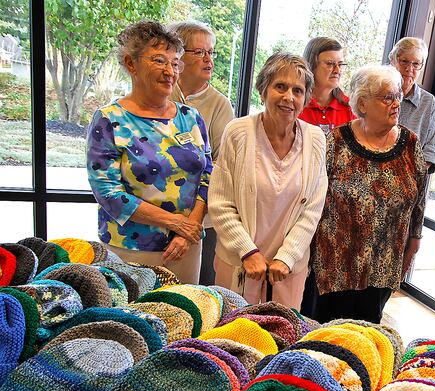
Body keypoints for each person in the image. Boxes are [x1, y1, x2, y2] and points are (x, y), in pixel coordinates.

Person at [87, 21, 210, 284]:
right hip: (130, 249)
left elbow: (208, 175)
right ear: (131, 64)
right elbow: (107, 192)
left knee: (190, 316)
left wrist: (187, 230)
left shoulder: (191, 117)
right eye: (159, 60)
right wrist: (176, 223)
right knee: (133, 320)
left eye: (175, 63)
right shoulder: (109, 119)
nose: (170, 71)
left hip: (186, 246)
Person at [208, 53, 327, 308]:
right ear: (263, 91)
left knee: (281, 337)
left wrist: (287, 256)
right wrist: (247, 252)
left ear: (305, 99)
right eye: (280, 87)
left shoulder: (316, 138)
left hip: (288, 270)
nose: (288, 97)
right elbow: (220, 202)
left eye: (298, 90)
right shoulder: (238, 132)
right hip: (238, 265)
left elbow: (313, 208)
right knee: (231, 336)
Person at [311, 65, 427, 324]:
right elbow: (313, 198)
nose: (396, 103)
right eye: (387, 97)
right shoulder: (336, 142)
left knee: (367, 334)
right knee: (326, 334)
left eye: (397, 96)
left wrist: (415, 239)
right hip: (335, 268)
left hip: (383, 267)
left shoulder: (410, 144)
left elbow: (419, 197)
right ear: (362, 103)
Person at [167, 20, 235, 286]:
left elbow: (219, 165)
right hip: (153, 221)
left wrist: (192, 223)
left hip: (201, 222)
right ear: (178, 56)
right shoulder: (160, 91)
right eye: (200, 52)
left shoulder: (219, 104)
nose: (209, 60)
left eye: (211, 52)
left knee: (198, 291)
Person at [389, 37, 435, 173]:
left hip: (408, 180)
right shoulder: (377, 93)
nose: (409, 68)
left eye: (416, 64)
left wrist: (407, 179)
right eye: (404, 61)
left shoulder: (428, 102)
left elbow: (429, 151)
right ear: (393, 61)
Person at [299, 37, 355, 134]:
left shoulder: (350, 108)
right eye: (330, 64)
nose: (337, 70)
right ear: (311, 65)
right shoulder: (295, 105)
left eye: (340, 64)